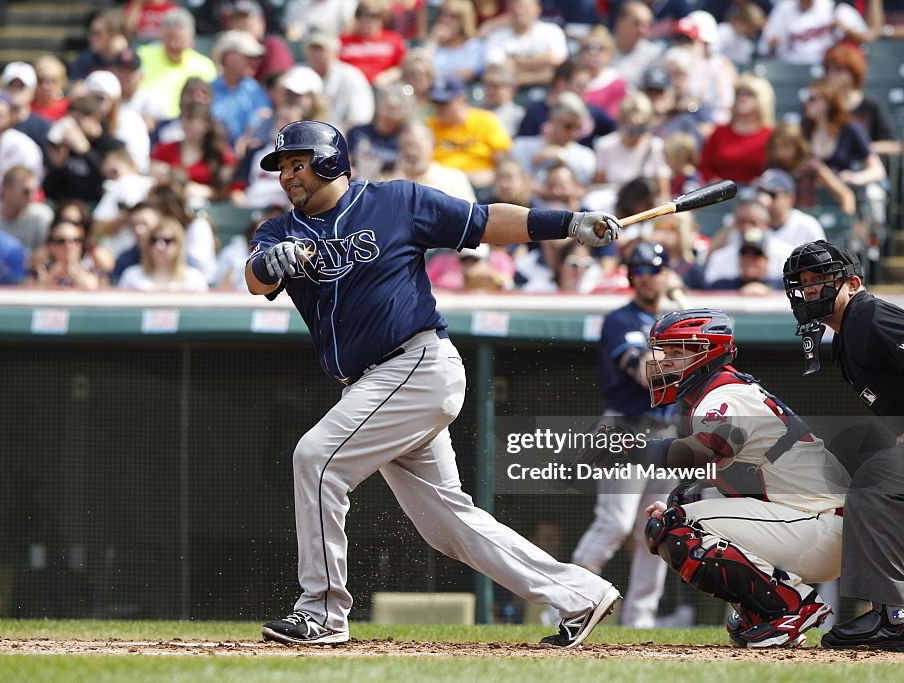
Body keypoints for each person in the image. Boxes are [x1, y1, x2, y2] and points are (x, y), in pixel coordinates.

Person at [247, 119, 623, 647]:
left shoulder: (395, 202)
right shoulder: (280, 230)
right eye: (282, 167)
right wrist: (270, 263)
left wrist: (567, 222)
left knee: (316, 460)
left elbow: (485, 221)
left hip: (414, 366)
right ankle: (580, 594)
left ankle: (322, 613)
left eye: (297, 163)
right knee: (447, 526)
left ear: (331, 160)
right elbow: (254, 277)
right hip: (369, 386)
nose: (287, 176)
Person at [639, 309, 848, 647]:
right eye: (664, 353)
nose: (665, 362)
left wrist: (634, 448)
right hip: (814, 523)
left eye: (677, 352)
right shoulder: (727, 391)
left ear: (708, 354)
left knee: (677, 527)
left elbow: (707, 449)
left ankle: (789, 608)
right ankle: (765, 611)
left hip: (819, 524)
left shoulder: (726, 395)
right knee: (683, 504)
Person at [782, 241, 904, 650]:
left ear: (852, 283)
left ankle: (895, 616)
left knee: (875, 481)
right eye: (804, 282)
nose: (811, 288)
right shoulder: (845, 336)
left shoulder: (867, 315)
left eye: (821, 279)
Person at [570, 242, 679, 629]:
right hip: (625, 429)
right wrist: (686, 352)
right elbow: (645, 372)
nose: (647, 278)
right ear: (631, 277)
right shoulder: (620, 319)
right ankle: (569, 602)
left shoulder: (675, 319)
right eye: (640, 272)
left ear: (665, 273)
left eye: (654, 270)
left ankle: (640, 621)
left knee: (658, 529)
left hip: (664, 434)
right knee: (614, 524)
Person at [427, 75, 512, 189]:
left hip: (481, 186)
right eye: (436, 103)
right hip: (441, 186)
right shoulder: (428, 126)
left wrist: (494, 173)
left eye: (444, 103)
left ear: (463, 100)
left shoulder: (485, 120)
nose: (438, 108)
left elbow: (504, 159)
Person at [135, 8, 217, 121]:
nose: (173, 45)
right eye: (169, 38)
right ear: (161, 37)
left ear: (191, 40)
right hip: (147, 119)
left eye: (179, 40)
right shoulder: (142, 56)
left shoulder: (204, 66)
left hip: (187, 122)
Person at [698, 73, 774, 185]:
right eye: (739, 94)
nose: (742, 98)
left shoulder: (770, 135)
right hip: (720, 194)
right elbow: (704, 165)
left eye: (749, 94)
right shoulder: (719, 132)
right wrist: (714, 182)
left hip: (756, 194)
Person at [303, 29, 375, 134]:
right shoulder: (300, 74)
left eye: (321, 50)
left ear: (335, 53)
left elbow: (359, 120)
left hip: (342, 140)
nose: (316, 54)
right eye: (313, 49)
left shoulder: (352, 77)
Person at [482, 0, 567, 88]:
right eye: (514, 8)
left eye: (523, 7)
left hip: (547, 89)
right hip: (508, 91)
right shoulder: (497, 36)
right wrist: (540, 65)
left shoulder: (552, 31)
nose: (518, 11)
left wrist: (517, 64)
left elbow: (557, 61)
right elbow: (494, 66)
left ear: (537, 9)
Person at [209, 30, 271, 147]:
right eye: (248, 57)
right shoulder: (207, 91)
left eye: (257, 58)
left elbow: (262, 118)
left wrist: (246, 138)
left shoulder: (256, 91)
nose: (255, 62)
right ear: (228, 58)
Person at [386, 122, 476, 201]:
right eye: (405, 146)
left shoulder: (454, 179)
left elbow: (472, 217)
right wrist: (398, 181)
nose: (411, 152)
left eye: (417, 145)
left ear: (432, 146)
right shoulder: (389, 182)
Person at [760, 0, 868, 65]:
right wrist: (772, 46)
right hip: (791, 67)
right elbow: (764, 48)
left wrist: (846, 30)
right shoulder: (783, 9)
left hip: (824, 70)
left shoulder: (833, 6)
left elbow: (865, 37)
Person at [117, 217, 209, 291]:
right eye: (154, 240)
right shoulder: (131, 276)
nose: (159, 246)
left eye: (167, 240)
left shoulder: (195, 279)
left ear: (179, 245)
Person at [338, 0, 408, 85]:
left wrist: (388, 76)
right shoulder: (343, 40)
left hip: (383, 86)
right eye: (362, 15)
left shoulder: (394, 39)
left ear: (382, 18)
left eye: (374, 16)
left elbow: (403, 67)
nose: (367, 20)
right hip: (351, 86)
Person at [752, 168, 825, 248]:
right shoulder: (750, 223)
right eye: (761, 192)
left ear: (790, 199)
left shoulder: (808, 226)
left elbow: (822, 258)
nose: (764, 199)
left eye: (772, 194)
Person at [0, 166, 54, 260]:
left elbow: (45, 253)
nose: (33, 196)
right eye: (26, 191)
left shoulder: (42, 216)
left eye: (35, 190)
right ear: (6, 189)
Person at [27, 220, 104, 289]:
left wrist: (84, 282)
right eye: (61, 241)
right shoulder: (40, 270)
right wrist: (48, 281)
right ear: (50, 245)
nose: (68, 245)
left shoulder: (92, 268)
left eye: (75, 240)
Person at [706, 227, 781, 294]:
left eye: (757, 253)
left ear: (767, 260)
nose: (749, 259)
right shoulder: (721, 287)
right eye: (744, 253)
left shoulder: (782, 286)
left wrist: (768, 289)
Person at [427, 0, 485, 83]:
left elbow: (468, 73)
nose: (445, 20)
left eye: (453, 16)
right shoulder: (434, 44)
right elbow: (420, 69)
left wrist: (434, 76)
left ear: (464, 20)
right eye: (443, 14)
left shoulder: (474, 45)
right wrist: (433, 41)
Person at [611, 1, 664, 87]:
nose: (642, 30)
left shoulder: (653, 54)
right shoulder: (603, 48)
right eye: (636, 23)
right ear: (619, 23)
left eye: (646, 25)